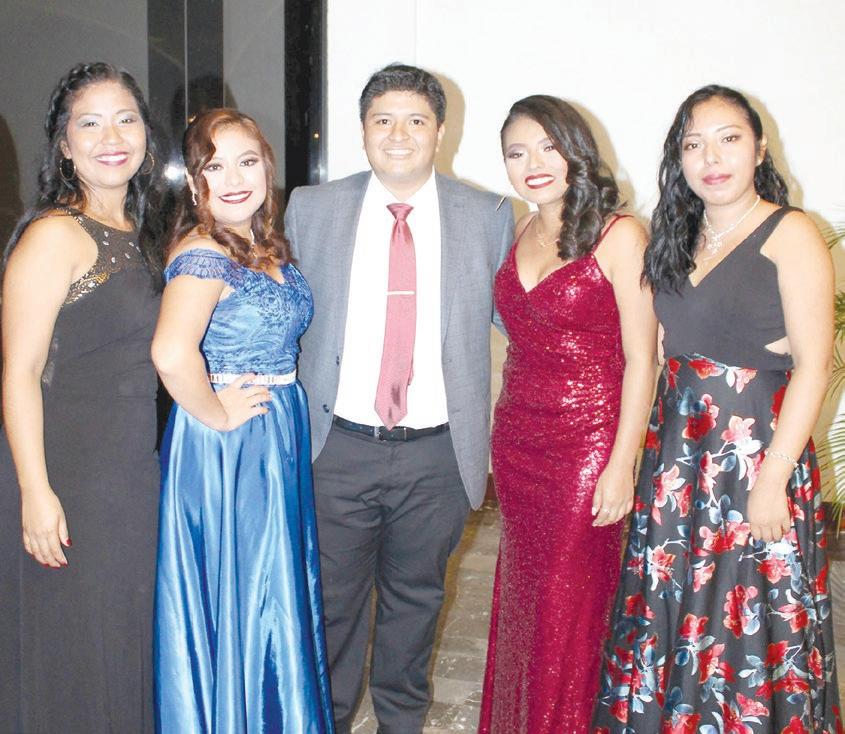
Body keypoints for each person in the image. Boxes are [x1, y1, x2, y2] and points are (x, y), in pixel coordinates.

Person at [592, 85, 841, 732]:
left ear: (758, 148)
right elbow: (656, 351)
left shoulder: (791, 232)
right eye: (693, 144)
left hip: (754, 461)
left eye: (728, 138)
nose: (711, 157)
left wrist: (773, 478)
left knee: (745, 621)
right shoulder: (677, 238)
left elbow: (814, 365)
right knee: (673, 613)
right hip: (677, 460)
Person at [284, 63, 514, 734]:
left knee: (416, 603)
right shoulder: (311, 208)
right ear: (362, 131)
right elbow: (276, 308)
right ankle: (326, 719)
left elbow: (522, 322)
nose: (398, 134)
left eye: (415, 120)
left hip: (437, 453)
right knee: (332, 606)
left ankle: (402, 722)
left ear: (440, 131)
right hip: (336, 447)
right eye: (382, 120)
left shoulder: (488, 216)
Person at [477, 96, 657, 733]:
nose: (532, 163)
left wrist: (621, 464)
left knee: (568, 608)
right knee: (523, 601)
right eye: (516, 152)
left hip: (588, 446)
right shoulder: (519, 230)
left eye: (548, 147)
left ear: (576, 151)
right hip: (517, 441)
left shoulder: (620, 234)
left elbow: (643, 360)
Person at [152, 108, 334, 732]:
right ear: (193, 182)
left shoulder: (260, 246)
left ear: (266, 167)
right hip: (231, 444)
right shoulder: (204, 253)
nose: (233, 179)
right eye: (214, 167)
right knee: (250, 591)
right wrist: (218, 413)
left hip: (271, 430)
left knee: (272, 588)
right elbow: (170, 354)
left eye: (247, 161)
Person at [0, 62, 163, 731]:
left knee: (121, 638)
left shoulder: (141, 232)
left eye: (125, 119)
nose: (111, 137)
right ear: (64, 145)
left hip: (130, 474)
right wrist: (35, 491)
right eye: (89, 123)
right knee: (74, 646)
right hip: (69, 475)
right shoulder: (56, 235)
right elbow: (18, 372)